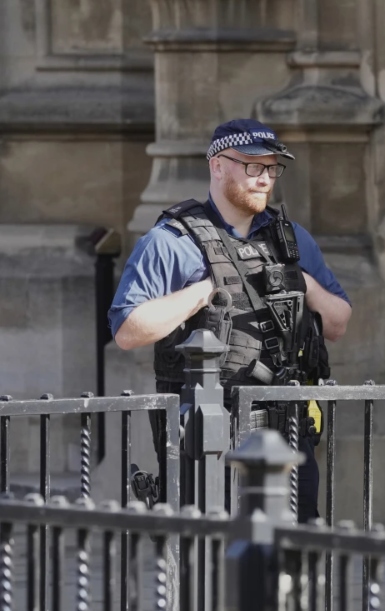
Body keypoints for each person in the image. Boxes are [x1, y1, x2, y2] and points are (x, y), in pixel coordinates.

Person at [110, 118, 352, 522]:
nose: (265, 179)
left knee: (296, 562)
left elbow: (339, 322)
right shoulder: (173, 241)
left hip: (289, 433)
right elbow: (128, 330)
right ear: (217, 165)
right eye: (253, 166)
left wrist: (305, 284)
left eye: (272, 168)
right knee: (212, 570)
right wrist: (202, 293)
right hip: (209, 437)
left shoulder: (290, 239)